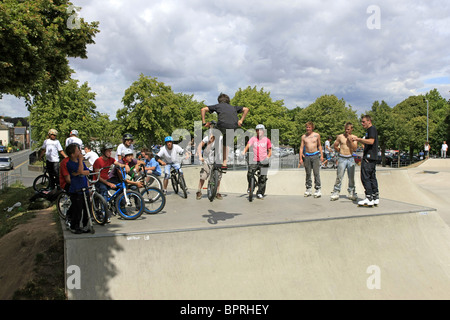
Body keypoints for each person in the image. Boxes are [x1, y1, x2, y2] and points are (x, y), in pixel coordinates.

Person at [201, 93, 249, 169]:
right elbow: (246, 109)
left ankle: (207, 151)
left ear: (219, 101)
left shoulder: (218, 106)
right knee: (225, 144)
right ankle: (224, 164)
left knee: (213, 133)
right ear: (228, 101)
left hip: (222, 125)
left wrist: (204, 122)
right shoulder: (233, 107)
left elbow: (203, 109)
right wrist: (241, 121)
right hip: (233, 127)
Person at [352, 115, 379, 207]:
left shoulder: (371, 129)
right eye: (361, 122)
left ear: (369, 121)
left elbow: (371, 141)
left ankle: (369, 198)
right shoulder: (371, 130)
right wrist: (363, 142)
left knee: (365, 177)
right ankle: (375, 197)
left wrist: (358, 139)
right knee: (372, 177)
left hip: (369, 157)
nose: (362, 123)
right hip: (372, 156)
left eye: (364, 122)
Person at [65, 143, 90, 234]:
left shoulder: (81, 162)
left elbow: (86, 171)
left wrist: (81, 172)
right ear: (72, 154)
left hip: (84, 188)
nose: (80, 152)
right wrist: (80, 162)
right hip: (76, 190)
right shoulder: (70, 164)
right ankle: (74, 226)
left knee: (87, 208)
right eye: (77, 150)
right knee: (77, 209)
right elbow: (79, 170)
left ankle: (85, 225)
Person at [242, 124, 272, 199]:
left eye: (261, 130)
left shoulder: (267, 140)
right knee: (249, 173)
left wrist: (268, 157)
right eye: (257, 130)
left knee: (263, 178)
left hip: (264, 160)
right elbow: (248, 146)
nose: (259, 132)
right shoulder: (253, 139)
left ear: (264, 131)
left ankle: (260, 193)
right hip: (254, 160)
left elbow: (270, 151)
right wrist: (243, 152)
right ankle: (251, 185)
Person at [330, 122, 358, 201]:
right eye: (345, 129)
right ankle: (336, 191)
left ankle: (351, 191)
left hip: (350, 158)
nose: (346, 131)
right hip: (342, 158)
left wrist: (350, 141)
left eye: (348, 129)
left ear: (351, 129)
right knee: (339, 176)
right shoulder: (340, 136)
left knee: (351, 177)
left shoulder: (354, 137)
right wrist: (340, 150)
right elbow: (335, 145)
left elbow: (355, 148)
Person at [196, 128, 223, 200]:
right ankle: (199, 191)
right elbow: (199, 146)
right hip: (207, 160)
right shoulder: (207, 138)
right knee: (203, 176)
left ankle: (217, 192)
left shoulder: (221, 138)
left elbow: (226, 146)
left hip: (218, 160)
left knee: (218, 177)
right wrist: (200, 156)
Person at [298, 121, 323, 198]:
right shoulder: (304, 137)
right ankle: (308, 188)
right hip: (307, 156)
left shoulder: (316, 135)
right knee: (308, 173)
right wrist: (300, 158)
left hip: (315, 155)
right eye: (307, 127)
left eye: (309, 127)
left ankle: (318, 189)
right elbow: (301, 147)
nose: (308, 128)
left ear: (312, 128)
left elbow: (319, 145)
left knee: (316, 172)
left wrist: (322, 155)